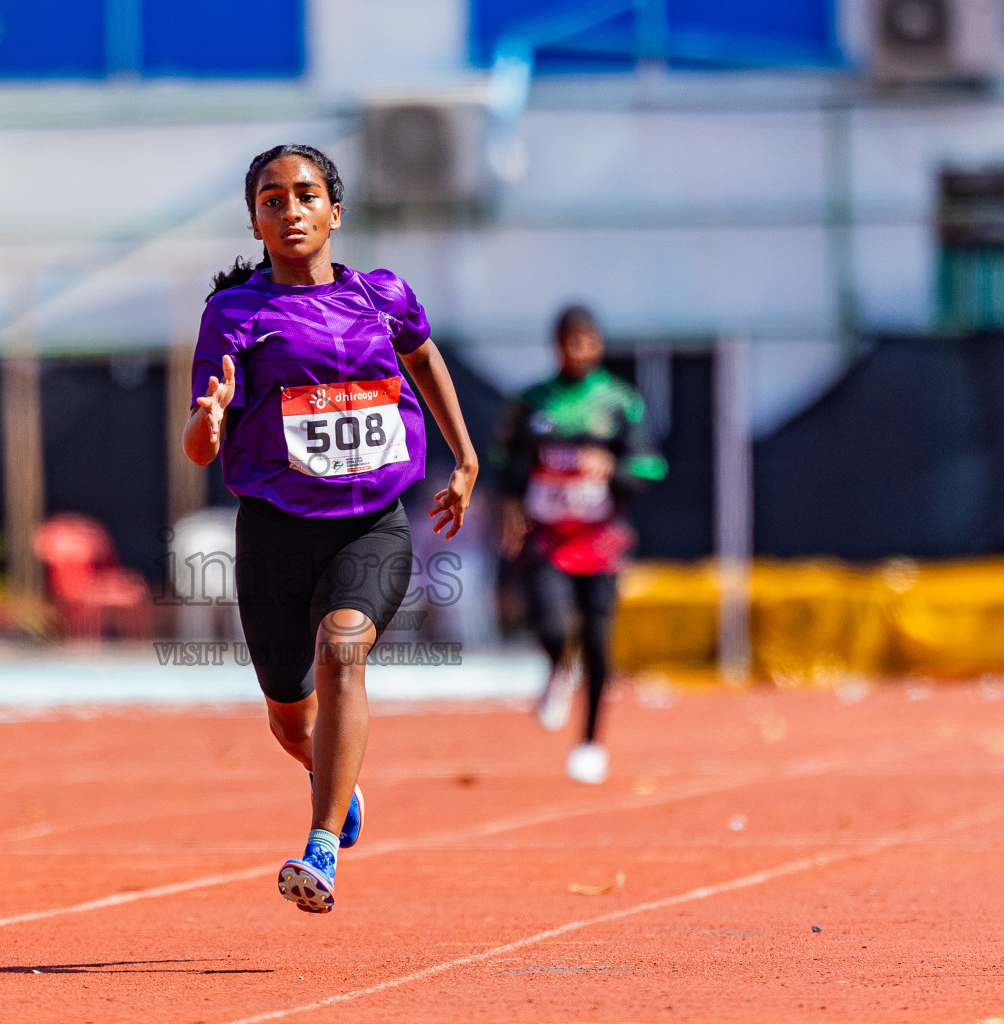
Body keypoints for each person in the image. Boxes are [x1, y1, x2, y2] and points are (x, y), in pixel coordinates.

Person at [183, 144, 478, 913]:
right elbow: (197, 437)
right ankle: (329, 774)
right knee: (289, 714)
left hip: (371, 525)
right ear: (254, 220)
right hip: (276, 531)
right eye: (272, 200)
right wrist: (209, 425)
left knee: (343, 649)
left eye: (305, 195)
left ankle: (319, 851)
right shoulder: (234, 315)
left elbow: (424, 357)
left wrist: (465, 456)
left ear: (334, 212)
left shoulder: (384, 295)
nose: (291, 210)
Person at [497, 305, 666, 784]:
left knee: (597, 643)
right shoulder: (531, 403)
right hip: (547, 535)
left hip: (601, 539)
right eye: (566, 341)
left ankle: (590, 742)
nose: (575, 350)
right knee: (550, 622)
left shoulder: (619, 402)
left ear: (597, 344)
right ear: (555, 346)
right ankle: (556, 664)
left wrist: (611, 467)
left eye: (584, 340)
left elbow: (651, 467)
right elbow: (506, 464)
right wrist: (510, 508)